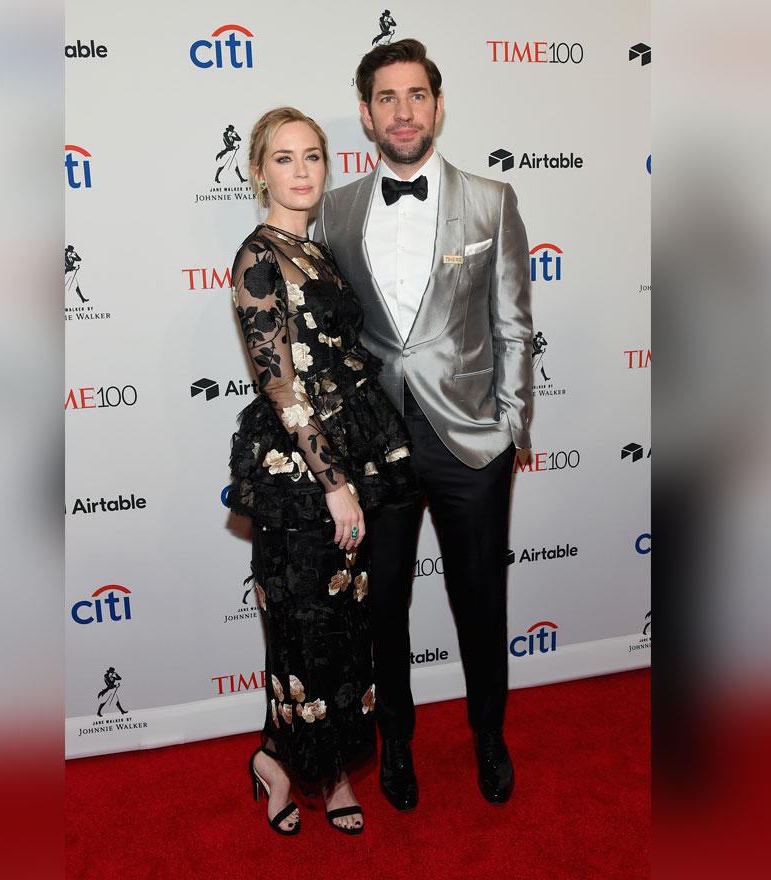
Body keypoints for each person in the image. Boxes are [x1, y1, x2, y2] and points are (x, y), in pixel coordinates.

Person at [315, 38, 535, 809]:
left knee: (482, 603)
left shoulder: (491, 200)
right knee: (383, 613)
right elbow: (332, 338)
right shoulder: (334, 211)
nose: (402, 112)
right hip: (376, 445)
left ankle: (488, 737)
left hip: (471, 441)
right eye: (385, 98)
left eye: (416, 95)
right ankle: (396, 747)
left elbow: (513, 323)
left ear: (438, 105)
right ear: (367, 115)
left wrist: (511, 426)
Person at [226, 106, 417, 835]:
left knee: (343, 627)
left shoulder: (320, 250)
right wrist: (334, 481)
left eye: (312, 157)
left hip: (352, 455)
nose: (301, 171)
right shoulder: (257, 258)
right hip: (300, 474)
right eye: (283, 158)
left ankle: (331, 768)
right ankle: (281, 763)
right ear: (257, 170)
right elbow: (280, 385)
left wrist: (355, 469)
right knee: (301, 634)